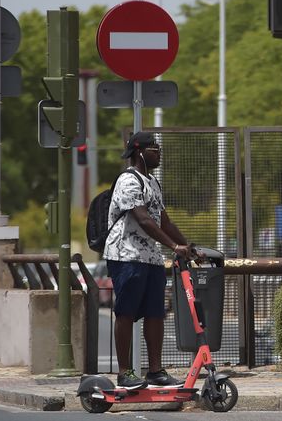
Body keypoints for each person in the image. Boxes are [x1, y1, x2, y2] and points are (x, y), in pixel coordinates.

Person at [103, 132, 191, 389]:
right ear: (138, 151)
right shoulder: (128, 181)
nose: (159, 152)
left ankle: (155, 371)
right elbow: (143, 219)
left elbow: (164, 221)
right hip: (125, 254)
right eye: (154, 148)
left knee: (155, 312)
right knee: (126, 311)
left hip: (150, 257)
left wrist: (187, 246)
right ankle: (124, 372)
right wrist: (173, 246)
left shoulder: (153, 182)